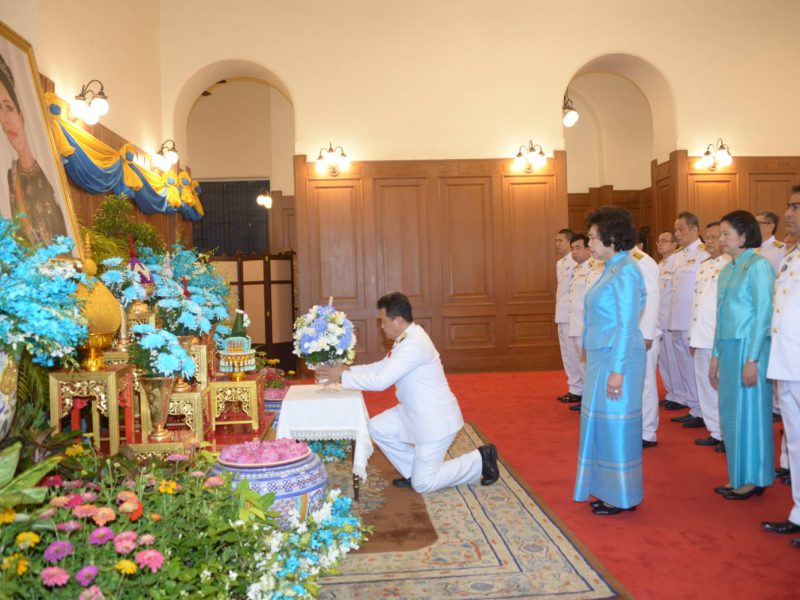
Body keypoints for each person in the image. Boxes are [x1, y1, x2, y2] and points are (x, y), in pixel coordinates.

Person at [319, 292, 499, 493]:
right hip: (414, 411)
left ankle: (480, 459)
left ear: (397, 321)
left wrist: (342, 378)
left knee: (423, 484)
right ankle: (414, 471)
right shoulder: (407, 337)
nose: (381, 326)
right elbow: (382, 366)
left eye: (383, 321)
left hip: (435, 421)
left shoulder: (414, 343)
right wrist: (348, 370)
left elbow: (381, 381)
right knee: (377, 427)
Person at [574, 207, 646, 515]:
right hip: (602, 357)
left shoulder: (627, 269)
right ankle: (605, 488)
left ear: (612, 238)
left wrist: (617, 371)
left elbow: (627, 325)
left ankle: (622, 495)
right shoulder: (610, 267)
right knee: (599, 424)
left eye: (592, 237)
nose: (589, 243)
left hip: (619, 359)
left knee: (616, 427)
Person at [709, 210, 775, 500]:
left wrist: (753, 358)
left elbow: (763, 314)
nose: (721, 239)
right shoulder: (728, 269)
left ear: (745, 236)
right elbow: (720, 315)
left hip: (750, 347)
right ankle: (738, 474)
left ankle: (755, 477)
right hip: (728, 346)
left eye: (726, 233)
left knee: (751, 414)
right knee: (731, 415)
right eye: (720, 234)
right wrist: (714, 355)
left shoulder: (759, 266)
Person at [761, 190, 800, 546]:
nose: (788, 213)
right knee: (796, 440)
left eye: (795, 207)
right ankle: (799, 512)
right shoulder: (792, 254)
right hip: (788, 363)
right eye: (788, 205)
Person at [0, 52, 67, 246]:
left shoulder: (46, 176)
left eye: (9, 107)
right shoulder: (11, 176)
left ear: (21, 116)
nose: (5, 120)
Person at [668, 212, 710, 428]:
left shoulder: (703, 254)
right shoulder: (678, 255)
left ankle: (704, 411)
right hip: (677, 320)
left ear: (694, 230)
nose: (677, 234)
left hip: (692, 322)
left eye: (681, 229)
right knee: (684, 364)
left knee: (696, 367)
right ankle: (694, 406)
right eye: (675, 230)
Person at [689, 222, 729, 449]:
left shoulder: (731, 265)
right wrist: (693, 336)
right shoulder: (703, 266)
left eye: (716, 237)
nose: (711, 242)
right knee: (705, 385)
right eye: (709, 238)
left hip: (719, 337)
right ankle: (715, 431)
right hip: (701, 335)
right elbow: (696, 304)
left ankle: (727, 432)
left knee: (722, 387)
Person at [565, 234, 604, 411]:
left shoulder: (596, 269)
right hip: (576, 324)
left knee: (589, 365)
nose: (574, 252)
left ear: (589, 249)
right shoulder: (579, 269)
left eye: (578, 247)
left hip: (586, 325)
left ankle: (593, 401)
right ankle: (587, 399)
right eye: (572, 248)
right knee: (581, 365)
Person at [633, 231, 660, 447]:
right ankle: (636, 427)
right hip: (630, 333)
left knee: (646, 382)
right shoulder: (623, 260)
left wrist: (647, 332)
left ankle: (647, 432)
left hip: (643, 334)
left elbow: (651, 297)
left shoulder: (643, 261)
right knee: (634, 383)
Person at [655, 231, 681, 410]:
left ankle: (680, 395)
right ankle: (671, 392)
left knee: (674, 358)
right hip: (659, 319)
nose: (660, 244)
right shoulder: (659, 264)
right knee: (663, 359)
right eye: (659, 241)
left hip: (672, 320)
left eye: (665, 241)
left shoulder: (678, 262)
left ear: (674, 244)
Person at [554, 228, 580, 403]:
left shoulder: (578, 261)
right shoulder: (561, 263)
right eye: (556, 241)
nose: (556, 244)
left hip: (574, 315)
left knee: (576, 353)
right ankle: (573, 387)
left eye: (560, 240)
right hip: (562, 313)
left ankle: (579, 388)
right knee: (567, 353)